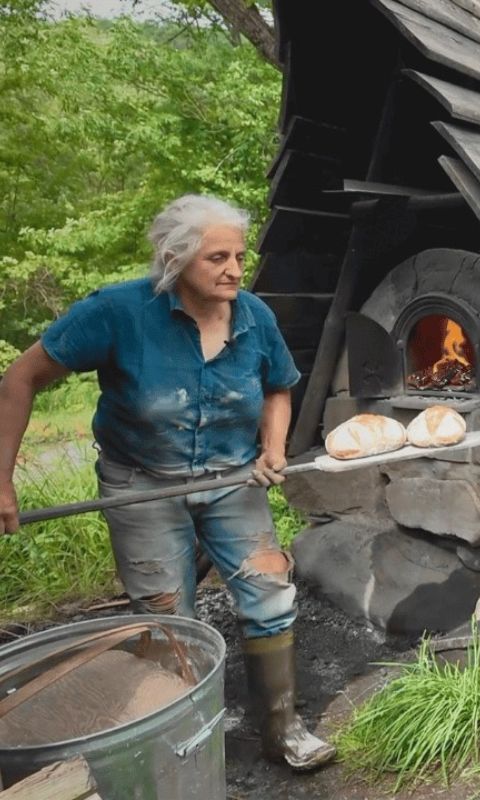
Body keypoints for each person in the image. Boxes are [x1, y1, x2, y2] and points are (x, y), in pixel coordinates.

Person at [0, 194, 335, 771]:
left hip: (233, 479)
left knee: (270, 593)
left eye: (239, 255)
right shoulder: (117, 312)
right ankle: (186, 741)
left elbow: (279, 385)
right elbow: (21, 376)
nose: (234, 269)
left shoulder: (254, 315)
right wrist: (1, 482)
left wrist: (273, 448)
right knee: (167, 616)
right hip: (142, 485)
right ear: (174, 260)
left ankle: (283, 728)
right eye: (217, 258)